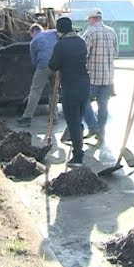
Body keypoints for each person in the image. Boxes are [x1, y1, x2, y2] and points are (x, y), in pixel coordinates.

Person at [48, 17, 90, 167]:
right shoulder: (81, 42)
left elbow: (52, 65)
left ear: (59, 30)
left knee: (72, 121)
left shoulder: (61, 45)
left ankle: (78, 156)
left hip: (70, 87)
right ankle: (77, 143)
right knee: (78, 119)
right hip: (85, 86)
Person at [81, 8, 118, 144]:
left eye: (89, 20)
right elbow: (115, 53)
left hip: (92, 78)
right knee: (103, 106)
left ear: (92, 19)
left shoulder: (90, 32)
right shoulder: (111, 32)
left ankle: (93, 127)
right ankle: (101, 133)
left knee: (83, 101)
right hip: (108, 78)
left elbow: (83, 54)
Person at [16, 23, 59, 127]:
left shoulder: (33, 41)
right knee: (54, 92)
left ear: (32, 32)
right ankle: (53, 117)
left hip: (43, 65)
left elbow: (34, 61)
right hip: (57, 66)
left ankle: (27, 117)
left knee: (35, 91)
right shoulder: (53, 33)